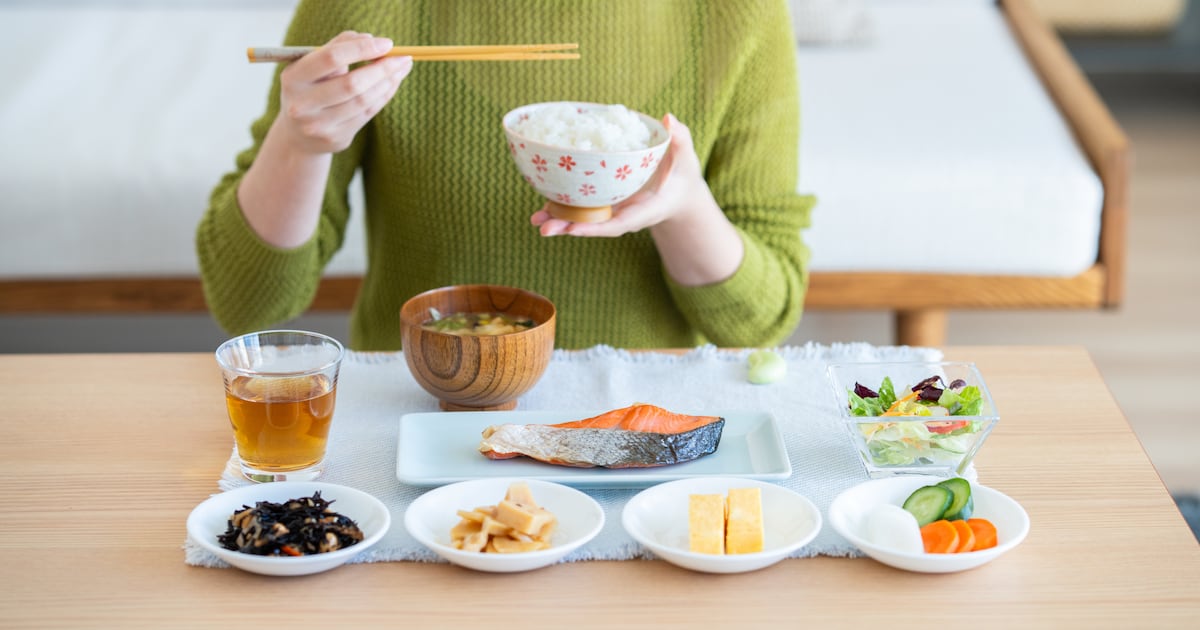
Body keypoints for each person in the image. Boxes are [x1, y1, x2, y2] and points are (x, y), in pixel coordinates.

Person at [196, 0, 815, 351]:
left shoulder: (739, 15)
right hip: (423, 408)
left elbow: (758, 322)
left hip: (633, 429)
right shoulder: (368, 11)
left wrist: (683, 207)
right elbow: (250, 301)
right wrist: (299, 142)